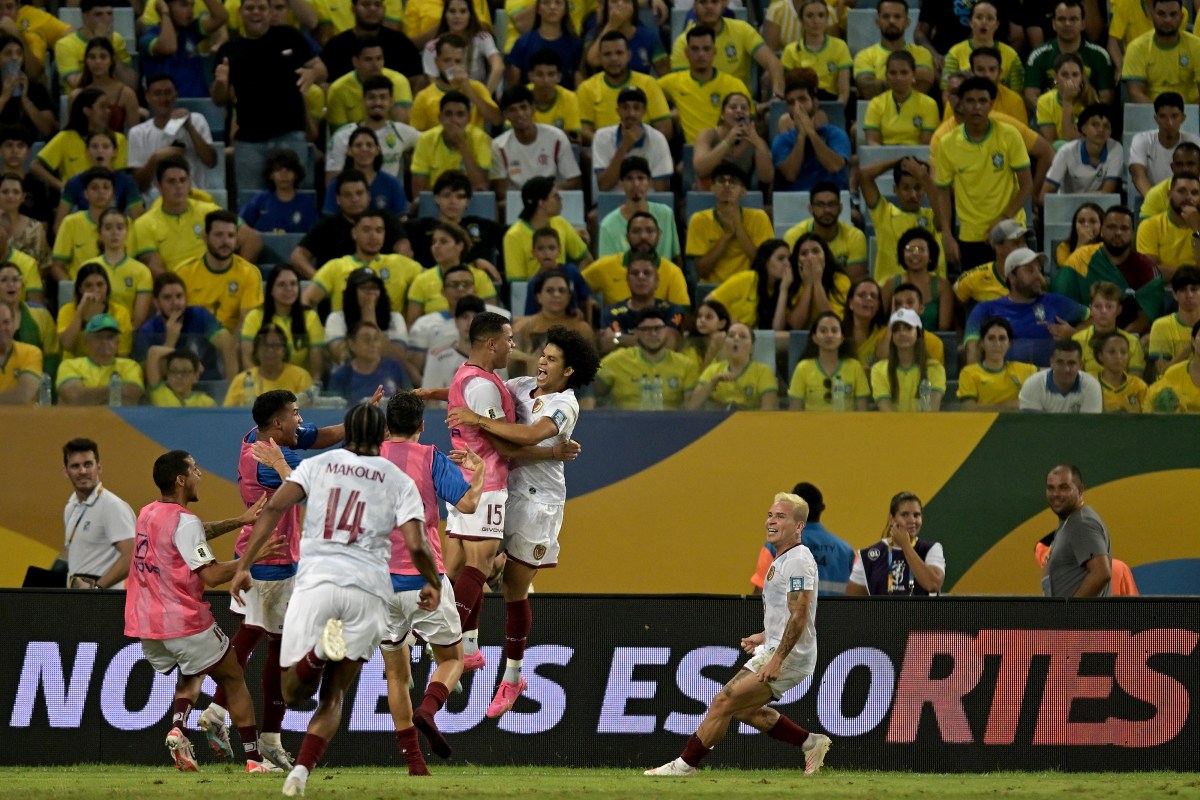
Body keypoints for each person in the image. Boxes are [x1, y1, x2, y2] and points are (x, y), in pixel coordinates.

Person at [231, 403, 437, 797]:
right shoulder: (397, 479)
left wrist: (245, 564)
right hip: (368, 591)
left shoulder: (319, 465)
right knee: (335, 695)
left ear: (348, 433)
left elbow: (275, 506)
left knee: (292, 693)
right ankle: (300, 774)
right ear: (382, 435)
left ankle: (315, 656)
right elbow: (417, 543)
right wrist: (434, 583)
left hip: (316, 585)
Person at [198, 388, 383, 769]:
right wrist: (361, 440)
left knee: (252, 636)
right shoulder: (269, 460)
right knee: (280, 650)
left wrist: (358, 420)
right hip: (274, 558)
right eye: (295, 414)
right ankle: (265, 736)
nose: (301, 420)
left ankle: (221, 712)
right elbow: (322, 476)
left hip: (260, 555)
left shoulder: (258, 436)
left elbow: (321, 437)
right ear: (278, 423)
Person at [446, 325, 598, 717]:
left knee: (515, 589)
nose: (542, 362)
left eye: (551, 359)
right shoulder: (521, 384)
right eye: (543, 355)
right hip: (504, 489)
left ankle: (512, 678)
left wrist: (477, 420)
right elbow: (483, 395)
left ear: (568, 371)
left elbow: (529, 435)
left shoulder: (565, 404)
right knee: (468, 563)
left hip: (540, 504)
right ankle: (470, 649)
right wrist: (440, 397)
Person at [644, 492, 829, 777]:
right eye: (770, 515)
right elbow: (787, 616)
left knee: (724, 700)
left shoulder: (798, 561)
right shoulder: (783, 559)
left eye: (781, 517)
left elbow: (800, 614)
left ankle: (684, 766)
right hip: (778, 648)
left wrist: (777, 658)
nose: (771, 521)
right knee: (743, 709)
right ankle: (810, 742)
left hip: (792, 656)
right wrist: (764, 635)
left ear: (799, 526)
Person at [126, 450, 282, 773]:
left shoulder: (148, 513)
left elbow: (191, 535)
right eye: (195, 470)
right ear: (181, 480)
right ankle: (254, 759)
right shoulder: (186, 522)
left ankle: (178, 729)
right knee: (233, 676)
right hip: (184, 620)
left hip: (146, 624)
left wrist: (240, 521)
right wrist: (252, 556)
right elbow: (210, 575)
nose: (201, 475)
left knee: (192, 667)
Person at [378, 391, 486, 772]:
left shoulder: (368, 460)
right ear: (422, 426)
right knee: (452, 658)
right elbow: (469, 505)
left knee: (395, 672)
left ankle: (414, 760)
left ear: (386, 427)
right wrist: (480, 470)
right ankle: (429, 707)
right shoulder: (430, 457)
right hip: (425, 579)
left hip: (379, 585)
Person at [442, 312, 516, 672]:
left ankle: (465, 646)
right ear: (491, 343)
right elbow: (502, 441)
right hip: (484, 483)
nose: (512, 346)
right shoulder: (484, 385)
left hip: (461, 478)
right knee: (480, 565)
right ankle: (448, 638)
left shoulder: (465, 375)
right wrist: (548, 451)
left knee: (453, 567)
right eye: (508, 339)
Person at [210, 0, 327, 184]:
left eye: (261, 8)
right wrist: (221, 83)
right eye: (250, 8)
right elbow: (218, 99)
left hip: (290, 134)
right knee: (251, 203)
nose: (255, 12)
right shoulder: (229, 50)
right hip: (249, 140)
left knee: (297, 196)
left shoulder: (289, 36)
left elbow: (321, 69)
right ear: (240, 12)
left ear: (270, 12)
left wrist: (312, 73)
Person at [935, 76, 1033, 270]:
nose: (976, 107)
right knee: (976, 296)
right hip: (971, 236)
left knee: (1016, 292)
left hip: (1010, 231)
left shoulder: (1009, 135)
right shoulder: (947, 143)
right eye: (970, 101)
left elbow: (1027, 185)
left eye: (982, 101)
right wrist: (947, 234)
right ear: (961, 104)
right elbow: (943, 192)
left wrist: (1004, 218)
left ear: (991, 104)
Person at [133, 156, 262, 275]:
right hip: (175, 291)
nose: (178, 186)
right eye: (171, 181)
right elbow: (155, 268)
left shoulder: (210, 211)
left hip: (214, 283)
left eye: (183, 180)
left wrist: (234, 274)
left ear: (189, 183)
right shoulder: (144, 224)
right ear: (159, 186)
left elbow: (252, 239)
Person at [964, 248, 1089, 367]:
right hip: (1006, 382)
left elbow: (1095, 318)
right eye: (1030, 270)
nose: (1038, 276)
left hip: (1051, 379)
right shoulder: (986, 309)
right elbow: (972, 347)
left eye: (1039, 270)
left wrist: (1074, 334)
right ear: (1012, 277)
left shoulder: (1054, 302)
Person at [1055, 206, 1162, 333]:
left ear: (1133, 234)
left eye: (1124, 228)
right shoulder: (1080, 258)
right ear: (1101, 231)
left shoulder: (1146, 268)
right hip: (1083, 340)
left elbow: (1146, 319)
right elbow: (1059, 303)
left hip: (1127, 343)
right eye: (1111, 227)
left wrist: (1118, 340)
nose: (1118, 233)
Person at [290, 170, 407, 279]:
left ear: (369, 196)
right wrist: (321, 281)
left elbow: (404, 249)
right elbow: (298, 256)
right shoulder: (326, 226)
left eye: (359, 193)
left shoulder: (386, 220)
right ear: (338, 199)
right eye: (347, 195)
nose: (354, 199)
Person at [304, 210, 422, 315]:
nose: (373, 236)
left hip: (389, 332)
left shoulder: (400, 263)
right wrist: (315, 329)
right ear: (354, 233)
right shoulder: (336, 266)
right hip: (347, 333)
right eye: (366, 230)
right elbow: (306, 300)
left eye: (379, 230)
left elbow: (433, 280)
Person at [750, 482, 854, 596]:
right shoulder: (846, 551)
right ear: (822, 508)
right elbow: (859, 594)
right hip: (835, 613)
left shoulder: (774, 546)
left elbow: (760, 595)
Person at [59, 437, 135, 589]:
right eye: (75, 466)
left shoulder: (113, 506)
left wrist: (96, 588)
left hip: (103, 602)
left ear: (99, 467)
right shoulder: (71, 508)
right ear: (66, 471)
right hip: (79, 601)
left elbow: (132, 555)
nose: (82, 471)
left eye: (88, 464)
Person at [658, 26, 754, 147]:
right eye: (695, 49)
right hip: (691, 152)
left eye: (706, 49)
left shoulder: (735, 85)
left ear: (715, 51)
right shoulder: (672, 82)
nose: (701, 54)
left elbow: (751, 123)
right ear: (686, 52)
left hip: (727, 150)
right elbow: (645, 90)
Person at [175, 210, 265, 335]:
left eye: (231, 236)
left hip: (232, 342)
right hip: (192, 341)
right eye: (219, 235)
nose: (226, 241)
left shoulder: (250, 273)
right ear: (206, 238)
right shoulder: (183, 272)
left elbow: (246, 322)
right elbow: (173, 317)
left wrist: (230, 348)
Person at [135, 272, 238, 381]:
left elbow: (228, 344)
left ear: (186, 298)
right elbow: (149, 377)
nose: (175, 303)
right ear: (156, 302)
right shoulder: (147, 331)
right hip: (171, 390)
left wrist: (231, 389)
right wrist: (169, 342)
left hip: (207, 383)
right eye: (167, 298)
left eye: (179, 296)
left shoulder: (200, 315)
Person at [668, 0, 784, 97]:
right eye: (703, 2)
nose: (709, 7)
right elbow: (681, 88)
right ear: (694, 7)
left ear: (724, 3)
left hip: (740, 105)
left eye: (714, 1)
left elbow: (773, 63)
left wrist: (777, 95)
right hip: (701, 106)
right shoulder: (683, 42)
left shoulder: (742, 30)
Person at [576, 31, 673, 146]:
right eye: (607, 54)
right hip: (605, 153)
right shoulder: (586, 88)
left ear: (628, 56)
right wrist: (610, 146)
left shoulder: (648, 83)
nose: (614, 59)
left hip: (645, 151)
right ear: (600, 58)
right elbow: (584, 130)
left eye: (619, 53)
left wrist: (640, 146)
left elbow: (665, 128)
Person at [861, 156, 945, 284]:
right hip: (890, 292)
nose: (913, 195)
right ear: (895, 189)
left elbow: (943, 213)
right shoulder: (884, 213)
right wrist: (899, 161)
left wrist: (923, 176)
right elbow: (864, 176)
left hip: (928, 291)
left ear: (925, 189)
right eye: (906, 188)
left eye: (918, 187)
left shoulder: (933, 215)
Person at [594, 306, 698, 409]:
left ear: (666, 331)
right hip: (625, 423)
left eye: (657, 328)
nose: (653, 334)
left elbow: (691, 409)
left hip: (670, 423)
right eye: (646, 329)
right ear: (636, 333)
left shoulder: (685, 365)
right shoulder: (616, 360)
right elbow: (590, 392)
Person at [326, 76, 420, 190]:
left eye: (383, 97)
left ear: (391, 101)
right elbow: (331, 183)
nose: (377, 103)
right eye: (371, 98)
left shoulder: (402, 132)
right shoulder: (342, 136)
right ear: (363, 101)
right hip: (354, 200)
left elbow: (432, 140)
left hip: (391, 200)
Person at [686, 163, 772, 285]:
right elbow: (702, 271)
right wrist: (727, 235)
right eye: (720, 181)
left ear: (743, 190)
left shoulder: (759, 218)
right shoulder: (699, 220)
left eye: (733, 181)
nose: (726, 185)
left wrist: (739, 229)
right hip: (713, 288)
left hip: (748, 286)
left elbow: (764, 266)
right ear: (712, 188)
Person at [847, 492, 945, 596]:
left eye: (916, 515)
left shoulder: (931, 549)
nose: (912, 520)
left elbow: (933, 585)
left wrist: (906, 546)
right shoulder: (867, 557)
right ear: (891, 519)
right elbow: (852, 603)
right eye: (905, 515)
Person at [489, 85, 581, 195]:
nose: (520, 114)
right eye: (512, 110)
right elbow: (500, 192)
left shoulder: (557, 137)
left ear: (533, 109)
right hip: (517, 204)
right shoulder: (498, 145)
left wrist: (545, 195)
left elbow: (575, 181)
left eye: (523, 107)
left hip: (551, 199)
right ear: (506, 115)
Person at [1025, 0, 1115, 112]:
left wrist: (1087, 117)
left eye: (1073, 19)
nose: (1067, 24)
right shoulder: (1038, 55)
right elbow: (1030, 96)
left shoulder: (1100, 55)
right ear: (1053, 24)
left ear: (1083, 24)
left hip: (1087, 119)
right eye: (1061, 19)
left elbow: (1106, 97)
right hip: (1049, 117)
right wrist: (1049, 113)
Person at [31, 88, 128, 191]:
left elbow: (120, 177)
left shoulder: (119, 139)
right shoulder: (65, 137)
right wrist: (62, 187)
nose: (108, 111)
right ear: (87, 111)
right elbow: (35, 167)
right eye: (102, 107)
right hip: (73, 201)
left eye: (108, 107)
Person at [772, 67, 850, 193]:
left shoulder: (836, 134)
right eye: (791, 102)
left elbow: (835, 166)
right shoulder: (781, 141)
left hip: (831, 202)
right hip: (795, 203)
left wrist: (812, 134)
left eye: (802, 99)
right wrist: (801, 136)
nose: (797, 107)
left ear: (815, 103)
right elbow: (790, 175)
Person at [241, 264, 324, 379]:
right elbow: (248, 360)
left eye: (293, 284)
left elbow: (316, 366)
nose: (289, 289)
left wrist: (311, 390)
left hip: (300, 388)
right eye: (282, 285)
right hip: (263, 386)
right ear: (271, 290)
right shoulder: (254, 317)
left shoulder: (311, 317)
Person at [404, 223, 499, 323]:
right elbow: (412, 324)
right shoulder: (421, 280)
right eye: (434, 242)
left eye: (443, 242)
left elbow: (492, 319)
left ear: (460, 246)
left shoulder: (480, 277)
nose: (436, 246)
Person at [1041, 465, 1112, 596]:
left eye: (1063, 488)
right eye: (1051, 488)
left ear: (1080, 490)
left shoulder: (1082, 524)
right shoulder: (1070, 522)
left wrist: (1070, 612)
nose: (1056, 494)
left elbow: (1101, 574)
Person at [503, 176, 591, 281]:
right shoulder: (513, 236)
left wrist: (574, 287)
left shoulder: (560, 223)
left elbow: (585, 259)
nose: (560, 199)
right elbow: (517, 283)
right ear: (542, 203)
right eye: (556, 196)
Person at [409, 34, 502, 132]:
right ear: (437, 62)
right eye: (447, 60)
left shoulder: (477, 88)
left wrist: (468, 89)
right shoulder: (424, 97)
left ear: (464, 63)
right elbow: (416, 135)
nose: (452, 66)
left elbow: (496, 120)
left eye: (458, 61)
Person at [140, 0, 227, 100]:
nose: (190, 11)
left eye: (192, 5)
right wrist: (164, 12)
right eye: (184, 5)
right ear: (168, 7)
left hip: (200, 104)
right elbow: (169, 47)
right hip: (168, 106)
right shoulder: (148, 38)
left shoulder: (192, 30)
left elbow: (221, 17)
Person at [325, 266, 410, 368]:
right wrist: (367, 317)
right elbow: (343, 358)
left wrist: (370, 318)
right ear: (352, 293)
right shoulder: (336, 319)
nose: (371, 292)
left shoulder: (395, 318)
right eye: (364, 287)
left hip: (387, 379)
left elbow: (397, 359)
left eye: (374, 287)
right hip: (349, 380)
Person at [411, 91, 494, 194]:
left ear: (469, 118)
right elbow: (418, 193)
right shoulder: (425, 140)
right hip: (435, 203)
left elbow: (481, 187)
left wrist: (461, 143)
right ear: (440, 118)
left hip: (471, 203)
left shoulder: (481, 139)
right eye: (448, 114)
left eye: (460, 115)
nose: (454, 120)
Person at [591, 87, 673, 193]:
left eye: (636, 108)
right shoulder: (602, 136)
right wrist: (624, 147)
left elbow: (661, 191)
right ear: (618, 111)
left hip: (648, 204)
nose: (631, 114)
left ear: (644, 111)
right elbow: (604, 186)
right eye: (625, 108)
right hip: (611, 203)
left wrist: (625, 183)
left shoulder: (658, 139)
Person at [320, 0, 423, 83]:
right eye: (366, 4)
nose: (372, 9)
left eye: (377, 4)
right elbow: (324, 81)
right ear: (353, 9)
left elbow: (417, 78)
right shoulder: (336, 46)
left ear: (384, 9)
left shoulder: (401, 43)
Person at [707, 238, 799, 329]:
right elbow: (708, 302)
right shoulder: (746, 279)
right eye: (780, 259)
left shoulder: (785, 287)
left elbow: (777, 330)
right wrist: (739, 327)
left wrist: (784, 290)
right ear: (765, 261)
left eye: (789, 259)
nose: (787, 264)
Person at [787, 310, 870, 411]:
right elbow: (795, 411)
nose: (829, 335)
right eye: (823, 331)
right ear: (814, 338)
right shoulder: (803, 368)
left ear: (842, 338)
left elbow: (863, 410)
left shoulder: (855, 366)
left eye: (834, 331)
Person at [596, 158, 678, 259]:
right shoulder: (608, 225)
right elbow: (606, 267)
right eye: (629, 179)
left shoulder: (666, 214)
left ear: (649, 182)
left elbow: (676, 256)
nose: (636, 184)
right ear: (621, 184)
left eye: (641, 178)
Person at [783, 182, 866, 280]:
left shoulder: (855, 236)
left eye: (832, 204)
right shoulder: (793, 236)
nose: (827, 210)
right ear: (811, 209)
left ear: (840, 208)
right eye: (820, 204)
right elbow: (793, 278)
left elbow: (854, 282)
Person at [685, 322, 778, 410]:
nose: (736, 339)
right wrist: (713, 382)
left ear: (752, 348)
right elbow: (691, 406)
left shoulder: (763, 371)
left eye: (743, 336)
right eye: (731, 335)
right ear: (725, 344)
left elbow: (769, 409)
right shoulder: (712, 370)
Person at [854, 0, 935, 100]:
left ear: (907, 22)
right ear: (877, 22)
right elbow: (867, 90)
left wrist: (882, 84)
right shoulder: (864, 56)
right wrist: (908, 82)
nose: (891, 21)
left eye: (897, 17)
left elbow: (923, 84)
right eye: (886, 16)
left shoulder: (922, 53)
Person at [325, 39, 414, 131]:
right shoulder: (338, 89)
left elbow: (402, 127)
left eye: (379, 58)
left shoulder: (398, 81)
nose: (375, 65)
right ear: (355, 61)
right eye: (368, 59)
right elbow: (339, 134)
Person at [691, 91, 773, 190]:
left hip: (740, 193)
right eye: (733, 107)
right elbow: (701, 169)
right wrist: (728, 141)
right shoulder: (708, 134)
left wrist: (757, 143)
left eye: (744, 108)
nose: (739, 111)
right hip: (709, 191)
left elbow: (767, 178)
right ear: (722, 114)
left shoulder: (756, 140)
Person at [1122, 0, 1200, 104]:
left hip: (1191, 114)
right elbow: (1135, 93)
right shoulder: (1136, 48)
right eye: (1161, 14)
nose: (1167, 20)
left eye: (1173, 14)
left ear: (1181, 17)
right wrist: (1163, 115)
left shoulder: (1197, 46)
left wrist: (1183, 115)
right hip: (1150, 114)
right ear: (1152, 15)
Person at [1041, 104, 1122, 200]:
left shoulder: (1116, 148)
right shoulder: (1066, 152)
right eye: (1095, 125)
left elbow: (1107, 193)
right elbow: (1044, 196)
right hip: (1066, 206)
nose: (1101, 130)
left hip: (1098, 206)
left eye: (1106, 126)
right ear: (1083, 128)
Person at [871, 307, 946, 412]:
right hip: (892, 427)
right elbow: (886, 409)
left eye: (908, 328)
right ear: (891, 336)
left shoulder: (935, 368)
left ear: (918, 333)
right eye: (896, 330)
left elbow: (933, 408)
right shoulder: (878, 369)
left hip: (925, 426)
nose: (902, 333)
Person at [1128, 92, 1200, 198]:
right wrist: (1155, 202)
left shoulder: (1195, 143)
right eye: (1163, 116)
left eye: (1174, 116)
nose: (1169, 122)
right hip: (1151, 200)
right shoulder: (1141, 140)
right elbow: (1138, 176)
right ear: (1156, 118)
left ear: (1183, 118)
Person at [956, 317, 1037, 411]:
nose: (997, 344)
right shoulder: (969, 373)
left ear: (1009, 343)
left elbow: (1053, 375)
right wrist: (1011, 406)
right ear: (982, 343)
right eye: (991, 338)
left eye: (1002, 338)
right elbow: (968, 408)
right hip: (983, 424)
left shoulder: (1025, 370)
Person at [941, 1, 1022, 95]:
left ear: (997, 24)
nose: (984, 22)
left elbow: (1017, 94)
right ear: (970, 22)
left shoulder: (1011, 54)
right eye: (979, 17)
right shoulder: (955, 52)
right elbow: (947, 92)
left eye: (990, 18)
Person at [57, 263, 134, 360]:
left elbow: (123, 355)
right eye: (88, 285)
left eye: (100, 284)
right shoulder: (67, 311)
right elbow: (66, 345)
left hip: (108, 365)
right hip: (75, 366)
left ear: (107, 287)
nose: (95, 290)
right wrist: (80, 312)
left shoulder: (120, 312)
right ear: (80, 288)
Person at [779, 0, 851, 103]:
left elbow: (844, 92)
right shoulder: (790, 50)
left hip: (830, 102)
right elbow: (786, 90)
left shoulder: (840, 47)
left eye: (821, 16)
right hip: (800, 103)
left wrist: (837, 111)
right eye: (810, 16)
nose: (816, 21)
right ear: (801, 20)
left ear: (827, 20)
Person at [224, 325, 313, 407]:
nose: (270, 350)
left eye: (276, 346)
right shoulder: (241, 380)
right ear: (256, 350)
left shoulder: (301, 376)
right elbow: (228, 415)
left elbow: (308, 412)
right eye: (265, 345)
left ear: (285, 350)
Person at [426, 0, 504, 93]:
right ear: (445, 16)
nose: (457, 16)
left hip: (478, 94)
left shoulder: (482, 38)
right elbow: (433, 85)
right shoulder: (432, 47)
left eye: (463, 11)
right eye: (452, 11)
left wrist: (485, 96)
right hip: (447, 98)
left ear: (470, 15)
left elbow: (498, 67)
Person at [1072, 281, 1148, 377]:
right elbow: (1076, 381)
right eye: (1097, 306)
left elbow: (1136, 382)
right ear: (1091, 309)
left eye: (1109, 306)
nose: (1103, 311)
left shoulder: (1132, 342)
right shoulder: (1077, 340)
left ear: (1119, 310)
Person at [882, 228, 951, 332]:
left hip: (932, 343)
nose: (915, 253)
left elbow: (944, 328)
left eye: (921, 249)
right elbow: (881, 321)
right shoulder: (890, 284)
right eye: (909, 249)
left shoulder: (942, 286)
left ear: (930, 255)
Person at [864, 50, 938, 146]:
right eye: (893, 73)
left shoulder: (929, 104)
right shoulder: (876, 103)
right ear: (886, 76)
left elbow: (925, 143)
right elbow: (872, 141)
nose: (898, 77)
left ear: (913, 75)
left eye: (904, 72)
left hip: (916, 159)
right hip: (883, 157)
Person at [1135, 174, 1200, 281]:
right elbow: (1150, 271)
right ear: (1169, 195)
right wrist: (1194, 275)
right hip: (1161, 292)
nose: (1188, 197)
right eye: (1181, 191)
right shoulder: (1149, 225)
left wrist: (1196, 229)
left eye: (1194, 193)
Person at [67, 38, 139, 134]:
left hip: (117, 146)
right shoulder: (76, 95)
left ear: (111, 60)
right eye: (92, 57)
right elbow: (72, 133)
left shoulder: (126, 93)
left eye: (103, 57)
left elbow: (136, 133)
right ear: (86, 61)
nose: (97, 62)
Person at [954, 220, 1031, 309]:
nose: (1023, 248)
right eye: (1016, 243)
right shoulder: (974, 278)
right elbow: (952, 305)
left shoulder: (1034, 277)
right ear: (998, 248)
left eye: (1024, 242)